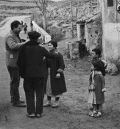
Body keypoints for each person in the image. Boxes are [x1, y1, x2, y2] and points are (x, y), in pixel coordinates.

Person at [17, 31, 59, 118]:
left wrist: (22, 74)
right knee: (40, 94)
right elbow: (51, 56)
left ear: (29, 37)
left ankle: (31, 112)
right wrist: (56, 53)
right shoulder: (41, 49)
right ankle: (39, 113)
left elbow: (19, 62)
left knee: (29, 94)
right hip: (40, 75)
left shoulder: (23, 48)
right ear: (37, 39)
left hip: (27, 75)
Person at [5, 20, 28, 107]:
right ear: (14, 28)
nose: (20, 30)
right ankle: (15, 101)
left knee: (14, 81)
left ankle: (14, 99)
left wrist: (21, 41)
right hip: (13, 62)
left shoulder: (15, 35)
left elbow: (16, 43)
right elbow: (13, 46)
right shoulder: (9, 36)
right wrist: (24, 43)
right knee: (15, 82)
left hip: (15, 61)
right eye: (18, 28)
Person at [44, 41, 67, 108]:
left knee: (57, 88)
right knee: (48, 87)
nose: (49, 46)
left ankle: (56, 101)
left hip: (56, 73)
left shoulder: (59, 55)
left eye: (50, 45)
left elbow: (62, 65)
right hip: (48, 73)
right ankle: (48, 101)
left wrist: (59, 72)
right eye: (48, 45)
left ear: (54, 46)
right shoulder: (47, 54)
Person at [88, 48, 107, 117]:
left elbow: (102, 78)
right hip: (93, 84)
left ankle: (99, 111)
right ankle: (95, 109)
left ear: (97, 54)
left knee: (99, 96)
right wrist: (90, 84)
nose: (91, 54)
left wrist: (103, 87)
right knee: (93, 96)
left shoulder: (99, 73)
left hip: (98, 85)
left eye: (93, 53)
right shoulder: (94, 62)